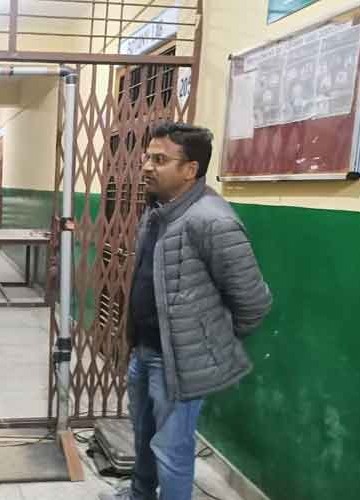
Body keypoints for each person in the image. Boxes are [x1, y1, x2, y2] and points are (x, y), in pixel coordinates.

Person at [98, 122, 272, 500]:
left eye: (160, 160)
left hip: (178, 362)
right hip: (144, 351)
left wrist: (207, 339)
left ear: (190, 169)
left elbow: (253, 301)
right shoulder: (157, 211)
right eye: (147, 157)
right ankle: (140, 494)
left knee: (172, 451)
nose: (147, 166)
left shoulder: (213, 220)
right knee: (143, 435)